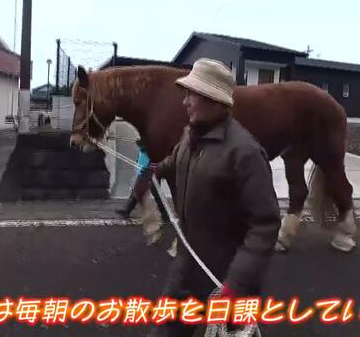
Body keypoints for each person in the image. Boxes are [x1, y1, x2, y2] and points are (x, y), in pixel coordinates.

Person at [147, 58, 281, 337]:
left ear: (215, 100)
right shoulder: (190, 135)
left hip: (227, 281)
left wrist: (237, 284)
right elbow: (176, 160)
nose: (185, 102)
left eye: (191, 95)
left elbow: (265, 225)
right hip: (186, 267)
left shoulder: (244, 153)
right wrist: (159, 170)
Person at [116, 138, 170, 224]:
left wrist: (141, 143)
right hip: (144, 169)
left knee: (155, 194)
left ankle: (166, 215)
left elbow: (146, 147)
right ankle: (126, 210)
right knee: (139, 191)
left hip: (149, 169)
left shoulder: (152, 141)